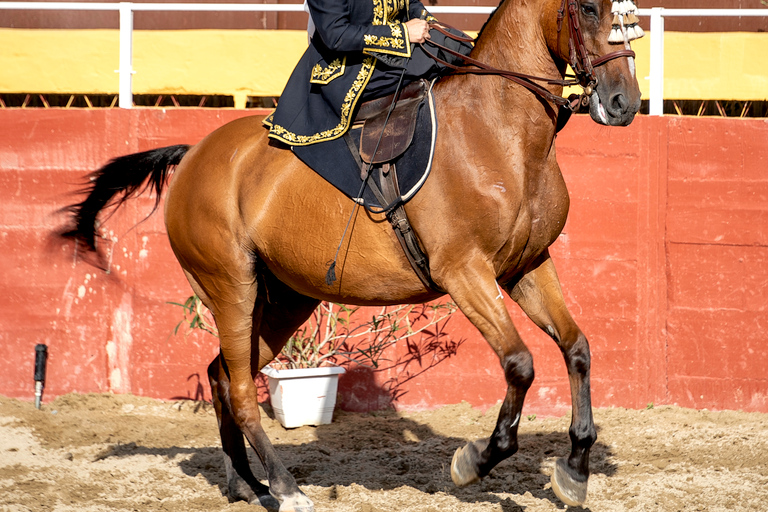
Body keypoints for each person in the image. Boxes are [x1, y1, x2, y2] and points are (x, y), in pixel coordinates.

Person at [263, 0, 471, 147]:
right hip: (347, 68)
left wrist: (430, 27)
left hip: (392, 52)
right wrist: (402, 33)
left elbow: (410, 5)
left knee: (457, 46)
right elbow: (337, 36)